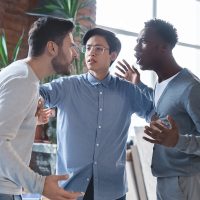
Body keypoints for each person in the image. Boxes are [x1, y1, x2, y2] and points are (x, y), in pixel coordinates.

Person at [39, 28, 154, 200]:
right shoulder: (67, 86)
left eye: (98, 48)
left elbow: (154, 114)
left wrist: (141, 86)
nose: (91, 52)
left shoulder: (128, 91)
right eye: (89, 47)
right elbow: (39, 94)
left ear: (113, 55)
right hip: (69, 188)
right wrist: (37, 106)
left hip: (112, 190)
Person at [116, 19, 200, 200]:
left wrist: (177, 140)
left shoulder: (191, 87)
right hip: (164, 177)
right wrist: (137, 84)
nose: (136, 48)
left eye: (143, 41)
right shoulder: (160, 84)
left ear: (164, 47)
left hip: (186, 179)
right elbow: (164, 109)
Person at [0, 17, 83, 200]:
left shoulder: (19, 72)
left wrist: (31, 119)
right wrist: (40, 184)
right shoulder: (24, 80)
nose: (75, 55)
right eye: (70, 46)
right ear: (52, 48)